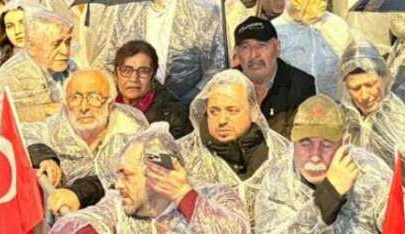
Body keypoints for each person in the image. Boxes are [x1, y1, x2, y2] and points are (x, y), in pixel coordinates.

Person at [253, 94, 405, 233]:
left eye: (326, 145)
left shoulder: (366, 166)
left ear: (345, 143)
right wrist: (328, 196)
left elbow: (397, 208)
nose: (315, 156)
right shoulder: (276, 182)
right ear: (293, 143)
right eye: (305, 143)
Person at [48, 124, 251, 233]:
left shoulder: (219, 196)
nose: (118, 184)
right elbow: (78, 222)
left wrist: (183, 195)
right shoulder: (119, 204)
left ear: (158, 173)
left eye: (127, 175)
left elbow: (233, 231)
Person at [28, 69, 149, 214]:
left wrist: (78, 193)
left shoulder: (132, 130)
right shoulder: (57, 126)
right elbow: (25, 135)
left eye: (94, 98)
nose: (84, 107)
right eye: (75, 98)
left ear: (110, 103)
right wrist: (45, 158)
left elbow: (119, 178)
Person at [338, 43, 405, 208]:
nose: (364, 95)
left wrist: (404, 214)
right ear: (345, 88)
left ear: (383, 78)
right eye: (355, 88)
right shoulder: (339, 120)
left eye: (370, 85)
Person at [178, 70, 292, 210]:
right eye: (214, 111)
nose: (222, 120)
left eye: (232, 111)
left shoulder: (280, 152)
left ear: (253, 112)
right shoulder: (184, 154)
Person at [92, 0, 229, 103]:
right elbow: (108, 63)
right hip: (134, 110)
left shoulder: (202, 12)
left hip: (186, 111)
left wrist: (187, 103)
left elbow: (215, 70)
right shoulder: (126, 12)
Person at [0, 9, 74, 143]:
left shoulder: (69, 67)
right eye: (56, 44)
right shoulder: (14, 75)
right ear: (31, 46)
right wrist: (43, 111)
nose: (65, 51)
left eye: (67, 42)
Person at [232, 16, 316, 138]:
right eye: (245, 47)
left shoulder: (301, 85)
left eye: (261, 45)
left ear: (277, 47)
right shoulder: (225, 83)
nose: (253, 55)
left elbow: (297, 140)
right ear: (237, 53)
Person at [113, 40, 192, 139]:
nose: (134, 79)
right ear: (116, 73)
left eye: (143, 71)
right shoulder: (103, 103)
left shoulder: (174, 115)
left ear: (153, 75)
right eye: (126, 70)